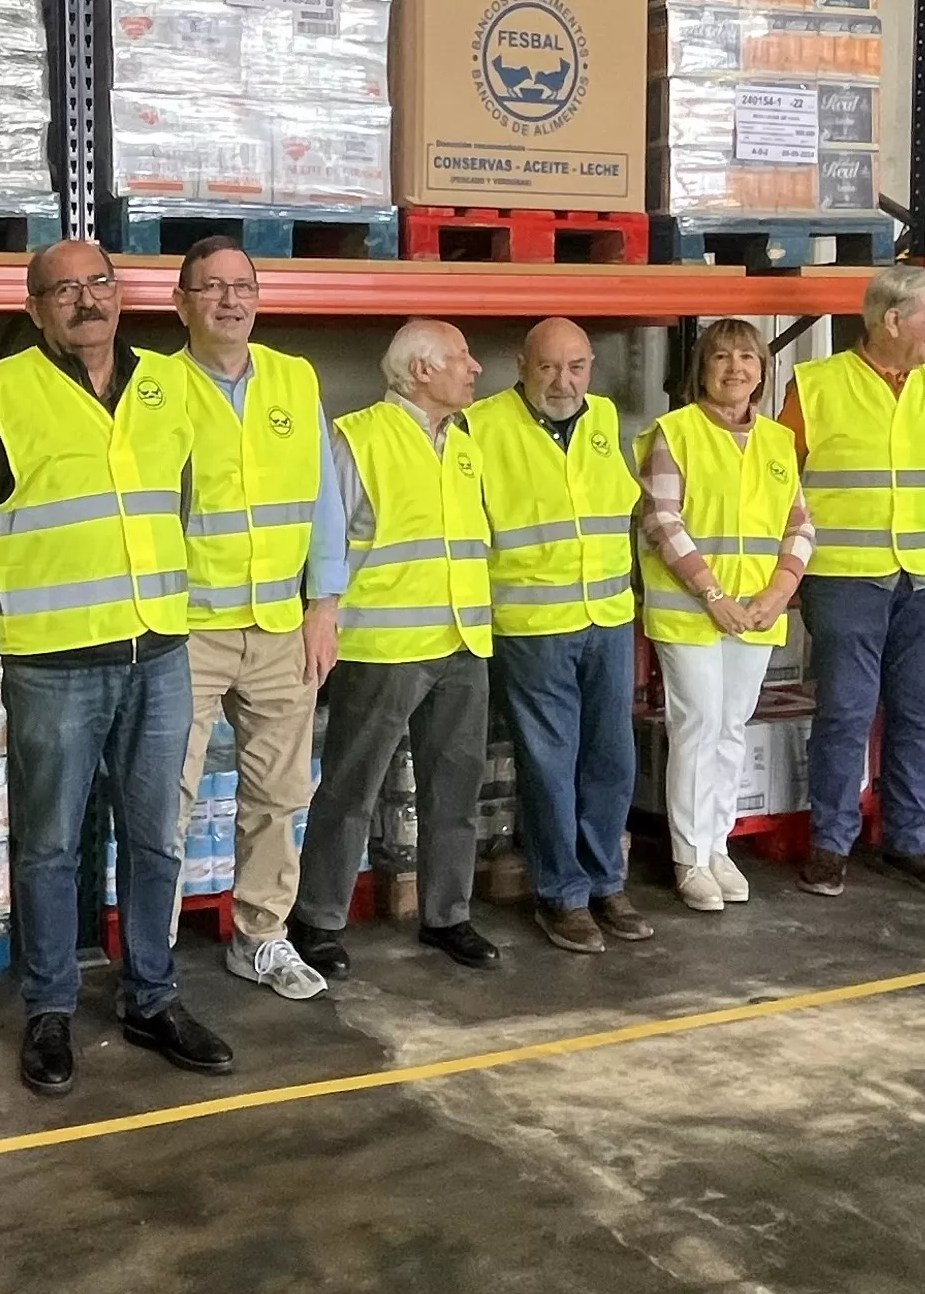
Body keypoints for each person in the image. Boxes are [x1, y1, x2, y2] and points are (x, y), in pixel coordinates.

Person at [0, 240, 232, 1098]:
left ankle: (152, 996)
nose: (84, 300)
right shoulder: (2, 393)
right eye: (62, 289)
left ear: (120, 294)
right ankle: (49, 1009)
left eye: (98, 283)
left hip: (159, 653)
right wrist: (27, 629)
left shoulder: (168, 383)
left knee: (155, 837)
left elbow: (175, 499)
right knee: (48, 845)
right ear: (35, 308)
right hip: (54, 666)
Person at [155, 236, 342, 1002]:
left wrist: (322, 604)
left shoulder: (294, 380)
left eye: (242, 286)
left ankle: (262, 936)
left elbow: (324, 498)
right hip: (188, 627)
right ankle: (151, 948)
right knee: (164, 795)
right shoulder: (153, 387)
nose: (229, 300)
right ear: (181, 303)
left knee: (279, 791)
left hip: (278, 624)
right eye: (210, 288)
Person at [295, 320, 499, 973]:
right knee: (350, 790)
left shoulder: (462, 443)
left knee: (455, 791)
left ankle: (448, 915)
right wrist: (319, 616)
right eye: (460, 357)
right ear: (420, 371)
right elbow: (324, 543)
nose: (474, 368)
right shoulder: (358, 438)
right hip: (382, 646)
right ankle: (317, 919)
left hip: (463, 640)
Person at [783, 263, 925, 901]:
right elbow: (781, 481)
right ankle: (831, 844)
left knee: (922, 712)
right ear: (892, 320)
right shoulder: (815, 385)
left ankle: (909, 841)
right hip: (845, 576)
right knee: (845, 712)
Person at [466, 319, 652, 953]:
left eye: (575, 367)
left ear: (591, 368)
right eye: (548, 367)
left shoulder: (604, 422)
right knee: (550, 767)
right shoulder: (482, 427)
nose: (562, 381)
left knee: (610, 762)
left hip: (607, 620)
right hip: (532, 625)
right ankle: (562, 895)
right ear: (521, 364)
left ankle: (606, 882)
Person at [634, 319, 812, 913]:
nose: (735, 368)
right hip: (692, 610)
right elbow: (662, 520)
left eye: (747, 356)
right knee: (698, 726)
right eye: (721, 357)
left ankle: (718, 845)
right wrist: (714, 594)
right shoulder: (675, 432)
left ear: (763, 370)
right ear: (701, 369)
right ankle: (689, 856)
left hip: (758, 613)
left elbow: (799, 524)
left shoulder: (777, 442)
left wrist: (780, 589)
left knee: (732, 726)